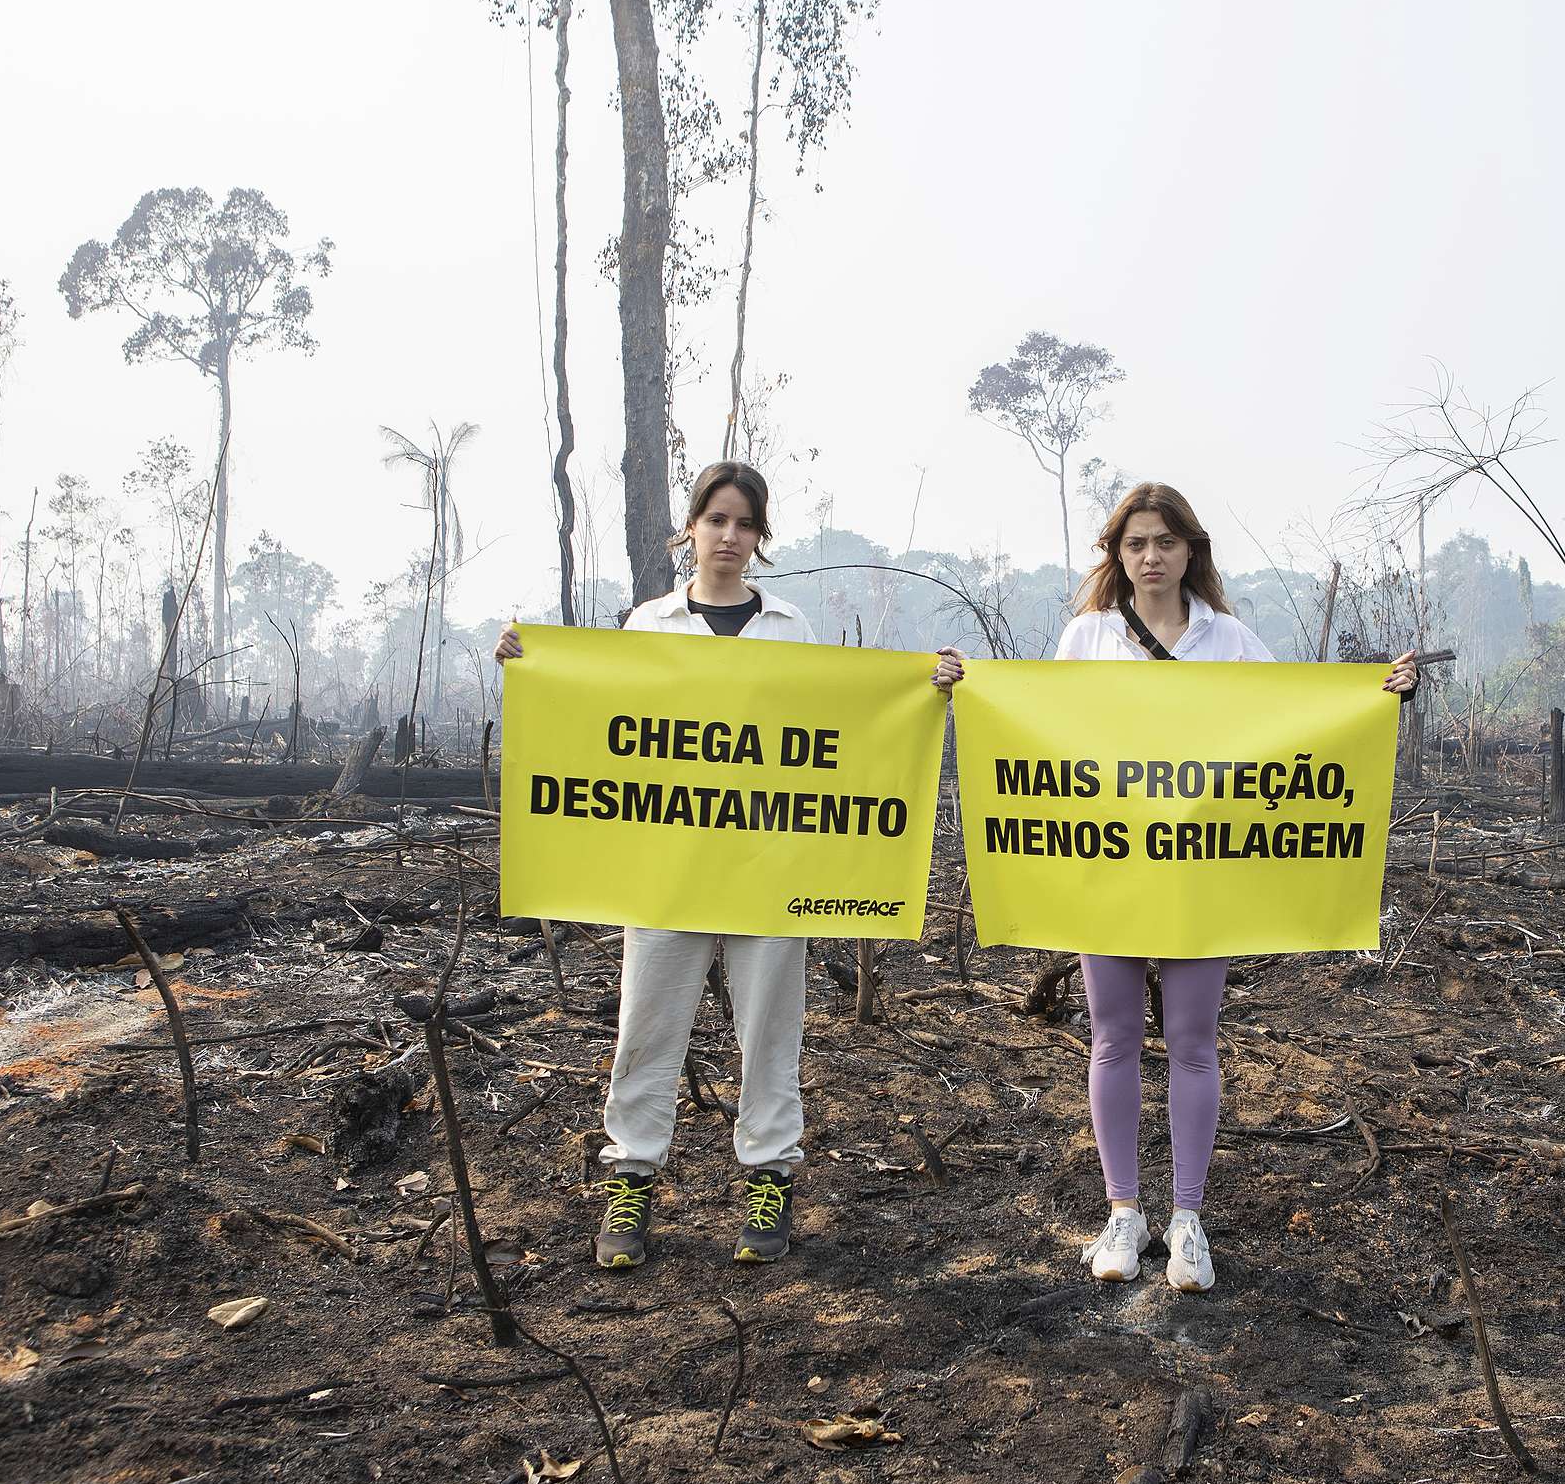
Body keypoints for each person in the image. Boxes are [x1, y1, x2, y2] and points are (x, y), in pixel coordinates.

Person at [496, 461, 963, 1268]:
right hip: (668, 870)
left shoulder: (789, 628)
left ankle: (769, 1181)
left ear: (760, 538)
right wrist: (528, 663)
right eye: (716, 519)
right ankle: (632, 1178)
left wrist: (925, 686)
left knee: (771, 1034)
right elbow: (603, 721)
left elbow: (842, 727)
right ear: (691, 528)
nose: (729, 537)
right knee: (646, 1027)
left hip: (769, 872)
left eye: (745, 524)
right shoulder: (650, 625)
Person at [1049, 482, 1415, 1291]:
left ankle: (1186, 1220)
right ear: (1118, 554)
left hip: (1202, 876)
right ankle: (1121, 1212)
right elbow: (1043, 732)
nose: (1151, 556)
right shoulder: (1087, 636)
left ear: (1191, 551)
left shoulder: (1230, 638)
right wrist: (958, 687)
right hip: (1109, 869)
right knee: (1111, 1037)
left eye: (1166, 542)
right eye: (1136, 543)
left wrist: (1373, 695)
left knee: (1192, 1042)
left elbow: (1296, 720)